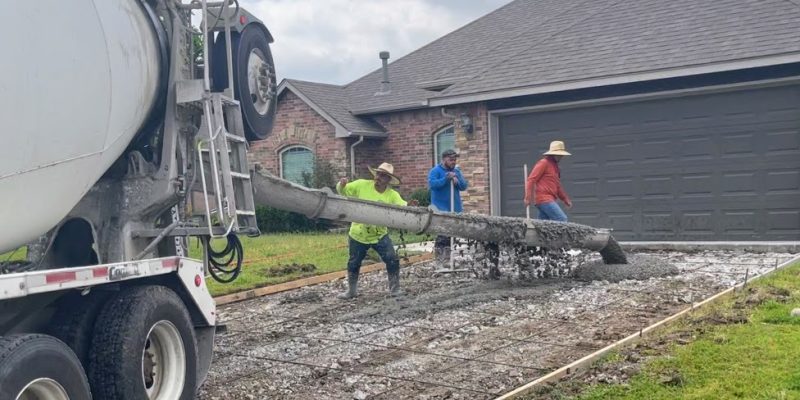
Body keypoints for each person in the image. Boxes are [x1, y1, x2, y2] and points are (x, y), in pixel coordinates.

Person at [336, 162, 417, 299]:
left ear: (388, 180)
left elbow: (401, 206)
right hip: (358, 232)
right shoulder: (362, 184)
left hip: (379, 234)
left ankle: (395, 289)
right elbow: (343, 191)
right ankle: (352, 291)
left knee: (391, 259)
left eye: (383, 176)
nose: (379, 177)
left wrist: (409, 206)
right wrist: (342, 184)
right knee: (354, 262)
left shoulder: (391, 195)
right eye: (378, 174)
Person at [428, 149, 468, 267]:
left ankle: (449, 259)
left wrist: (457, 180)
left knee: (452, 235)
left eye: (455, 160)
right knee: (442, 235)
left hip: (454, 208)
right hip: (440, 209)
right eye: (451, 159)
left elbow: (464, 186)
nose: (453, 162)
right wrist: (446, 178)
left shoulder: (456, 171)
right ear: (444, 159)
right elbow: (433, 185)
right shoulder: (435, 171)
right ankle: (440, 261)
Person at [524, 140, 572, 222]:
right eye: (559, 155)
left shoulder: (555, 167)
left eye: (561, 155)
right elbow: (531, 179)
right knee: (561, 219)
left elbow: (558, 186)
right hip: (544, 199)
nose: (561, 157)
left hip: (549, 199)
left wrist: (565, 199)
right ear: (553, 154)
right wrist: (527, 197)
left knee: (542, 226)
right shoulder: (544, 163)